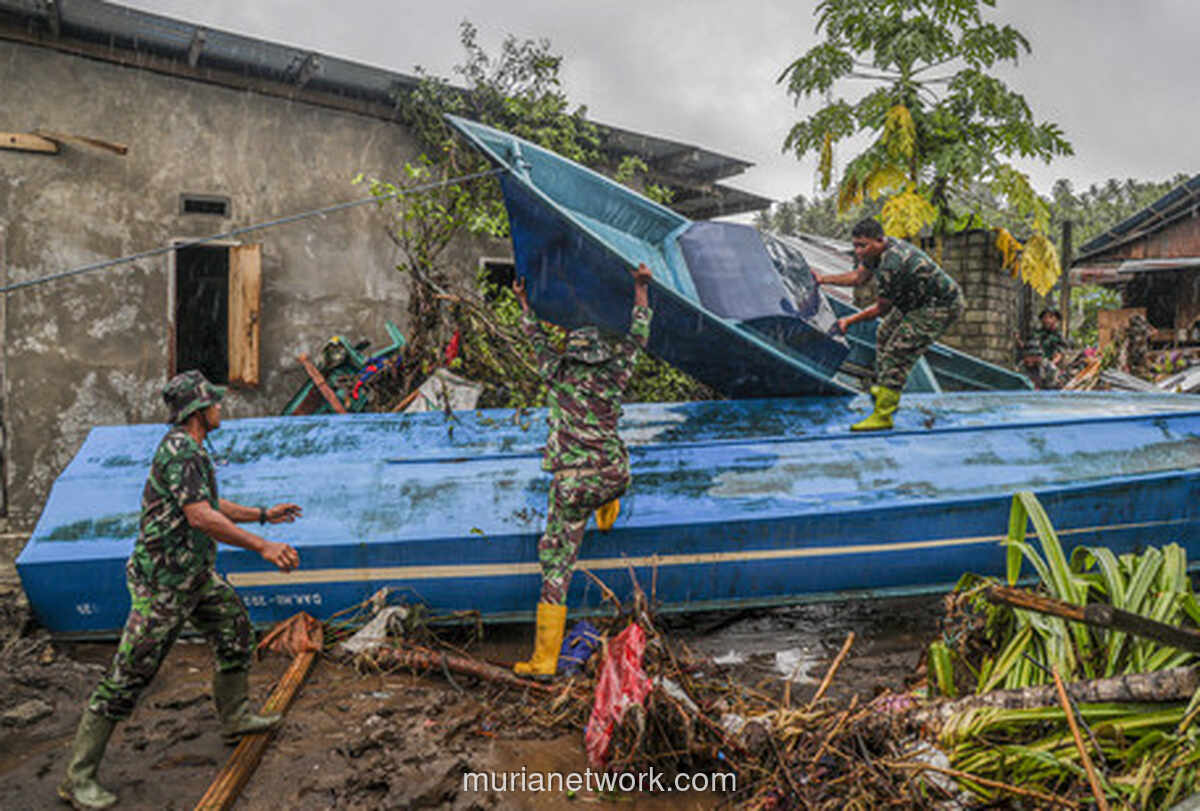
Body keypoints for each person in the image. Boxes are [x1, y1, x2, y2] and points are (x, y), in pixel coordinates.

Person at [59, 370, 302, 810]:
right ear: (198, 410)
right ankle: (78, 778)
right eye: (215, 403)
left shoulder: (191, 451)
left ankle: (235, 717)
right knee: (129, 675)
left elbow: (211, 504)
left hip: (193, 577)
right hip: (163, 587)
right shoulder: (181, 452)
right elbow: (201, 517)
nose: (220, 408)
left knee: (235, 633)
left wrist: (264, 514)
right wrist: (264, 545)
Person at [511, 264, 653, 678]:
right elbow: (639, 334)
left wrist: (524, 302)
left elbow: (535, 338)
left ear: (572, 352)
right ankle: (608, 505)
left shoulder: (557, 374)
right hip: (614, 473)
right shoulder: (615, 374)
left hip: (574, 484)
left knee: (555, 565)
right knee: (605, 483)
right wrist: (640, 287)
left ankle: (543, 660)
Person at [813, 218, 965, 430]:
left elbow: (881, 308)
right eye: (855, 245)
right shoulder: (874, 254)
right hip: (914, 301)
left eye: (863, 245)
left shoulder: (891, 263)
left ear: (879, 240)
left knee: (898, 351)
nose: (858, 251)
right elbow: (858, 277)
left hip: (939, 306)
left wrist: (849, 320)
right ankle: (884, 386)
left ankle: (884, 415)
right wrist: (823, 279)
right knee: (884, 332)